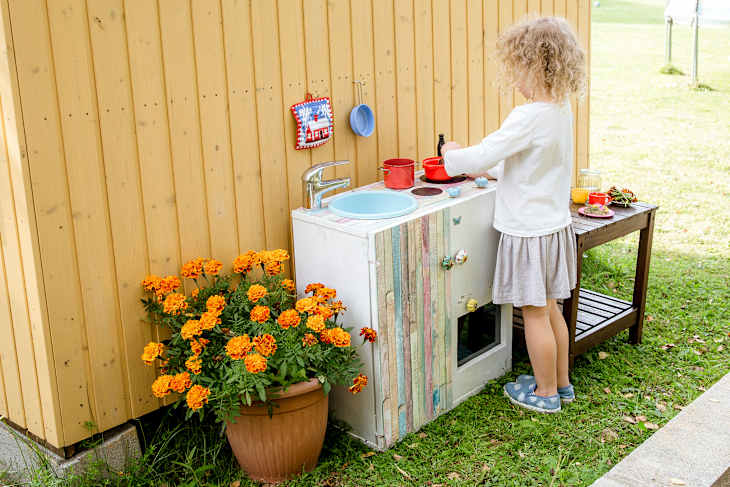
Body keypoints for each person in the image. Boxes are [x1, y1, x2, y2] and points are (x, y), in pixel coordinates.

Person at [441, 16, 586, 413]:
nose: (515, 78)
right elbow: (533, 164)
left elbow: (484, 152)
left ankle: (544, 395)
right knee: (552, 307)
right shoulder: (560, 110)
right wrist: (493, 170)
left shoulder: (528, 116)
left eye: (518, 68)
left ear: (539, 66)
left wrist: (450, 154)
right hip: (553, 226)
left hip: (528, 232)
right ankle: (561, 383)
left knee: (534, 314)